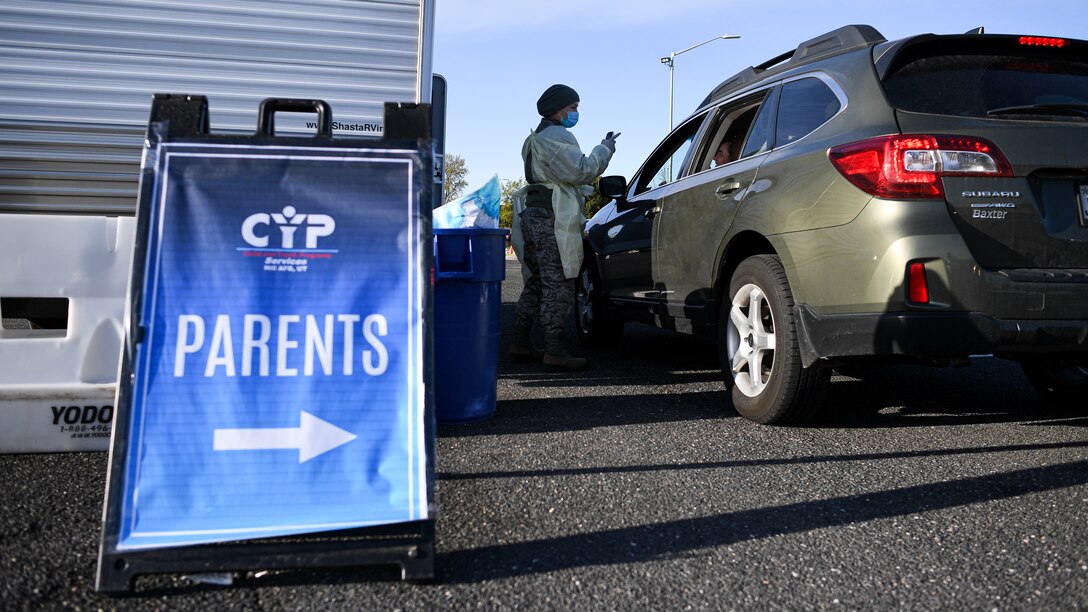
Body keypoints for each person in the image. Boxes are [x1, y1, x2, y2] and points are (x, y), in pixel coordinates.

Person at [509, 84, 618, 370]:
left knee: (535, 280)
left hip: (532, 214)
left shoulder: (535, 138)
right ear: (558, 110)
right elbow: (582, 170)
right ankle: (554, 350)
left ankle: (520, 342)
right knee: (558, 282)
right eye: (573, 108)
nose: (575, 113)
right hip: (551, 216)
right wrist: (604, 149)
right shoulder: (557, 136)